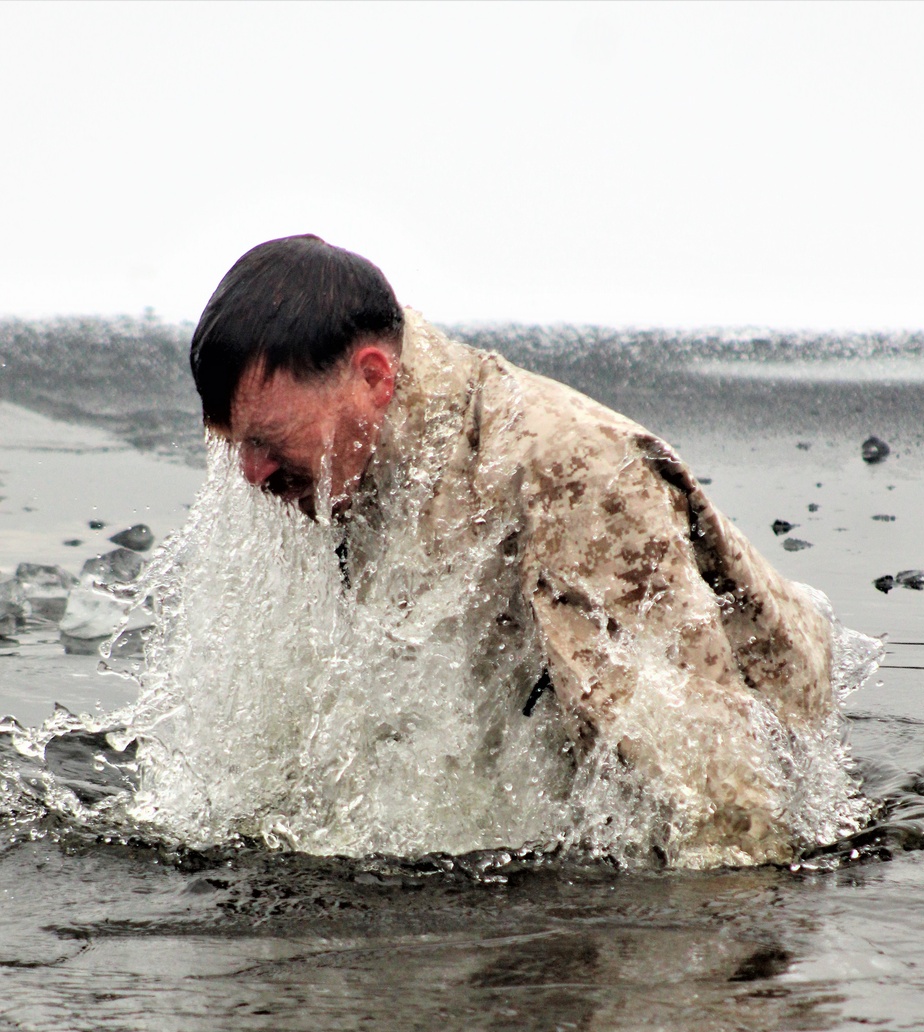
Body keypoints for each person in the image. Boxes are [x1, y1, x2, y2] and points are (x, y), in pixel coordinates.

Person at [189, 234, 843, 866]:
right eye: (237, 444)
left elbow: (720, 778)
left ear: (374, 378)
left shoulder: (569, 467)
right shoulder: (375, 460)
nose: (253, 474)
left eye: (268, 440)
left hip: (773, 778)